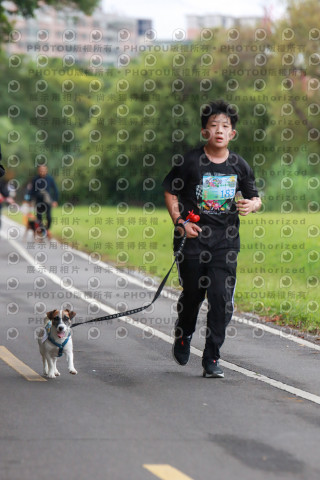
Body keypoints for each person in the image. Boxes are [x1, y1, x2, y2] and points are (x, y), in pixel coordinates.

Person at [162, 99, 261, 378]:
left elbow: (254, 196)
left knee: (221, 299)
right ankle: (184, 335)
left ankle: (212, 357)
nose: (219, 130)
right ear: (205, 132)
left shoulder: (239, 165)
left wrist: (252, 205)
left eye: (225, 126)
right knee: (193, 294)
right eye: (213, 125)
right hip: (192, 240)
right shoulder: (190, 162)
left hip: (225, 243)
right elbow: (170, 190)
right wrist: (180, 222)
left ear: (232, 134)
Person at [28, 165, 59, 238]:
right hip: (38, 201)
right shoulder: (35, 179)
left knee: (49, 217)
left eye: (44, 170)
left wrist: (55, 200)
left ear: (46, 170)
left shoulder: (50, 179)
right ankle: (42, 232)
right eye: (41, 170)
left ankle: (47, 230)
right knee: (39, 218)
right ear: (38, 171)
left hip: (47, 201)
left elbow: (55, 190)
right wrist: (30, 201)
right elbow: (31, 191)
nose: (42, 171)